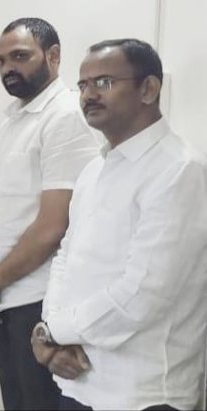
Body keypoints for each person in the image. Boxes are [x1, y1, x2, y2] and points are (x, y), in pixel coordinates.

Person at [32, 39, 207, 411]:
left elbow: (145, 294)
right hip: (77, 381)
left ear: (148, 89)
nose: (88, 95)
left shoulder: (179, 170)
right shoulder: (94, 170)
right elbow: (66, 259)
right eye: (83, 85)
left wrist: (54, 331)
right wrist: (51, 331)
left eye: (104, 82)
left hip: (141, 393)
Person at [0, 18, 100, 410]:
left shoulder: (66, 115)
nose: (8, 68)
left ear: (53, 56)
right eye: (0, 61)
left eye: (20, 56)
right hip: (5, 299)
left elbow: (54, 225)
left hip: (42, 300)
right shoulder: (11, 124)